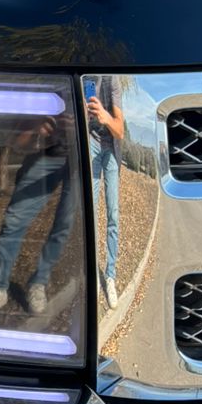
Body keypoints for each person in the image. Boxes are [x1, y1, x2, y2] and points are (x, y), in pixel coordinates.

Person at [0, 117, 77, 320]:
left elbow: (114, 126)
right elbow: (23, 126)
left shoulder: (106, 84)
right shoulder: (55, 84)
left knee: (64, 224)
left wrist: (90, 121)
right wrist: (42, 125)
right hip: (47, 152)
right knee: (14, 220)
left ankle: (39, 282)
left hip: (81, 161)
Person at [85, 76, 124, 309]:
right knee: (91, 212)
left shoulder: (112, 81)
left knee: (113, 215)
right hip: (90, 141)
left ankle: (110, 276)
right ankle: (90, 272)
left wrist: (105, 116)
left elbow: (120, 131)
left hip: (110, 148)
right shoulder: (84, 79)